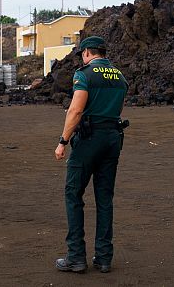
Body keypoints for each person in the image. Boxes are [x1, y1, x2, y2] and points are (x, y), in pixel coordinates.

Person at [54, 36, 128, 274]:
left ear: (87, 53)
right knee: (104, 198)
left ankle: (76, 257)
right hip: (112, 139)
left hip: (89, 139)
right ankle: (104, 258)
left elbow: (76, 110)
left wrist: (63, 141)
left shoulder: (84, 74)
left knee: (73, 194)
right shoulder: (120, 77)